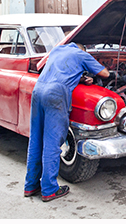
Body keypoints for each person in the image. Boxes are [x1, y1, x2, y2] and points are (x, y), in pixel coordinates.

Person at [24, 43, 109, 202]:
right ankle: (49, 189)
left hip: (38, 90)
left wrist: (80, 77)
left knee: (35, 139)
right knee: (52, 142)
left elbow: (61, 70)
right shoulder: (81, 54)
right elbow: (105, 73)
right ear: (82, 48)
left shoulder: (57, 49)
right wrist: (88, 72)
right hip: (55, 94)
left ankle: (30, 185)